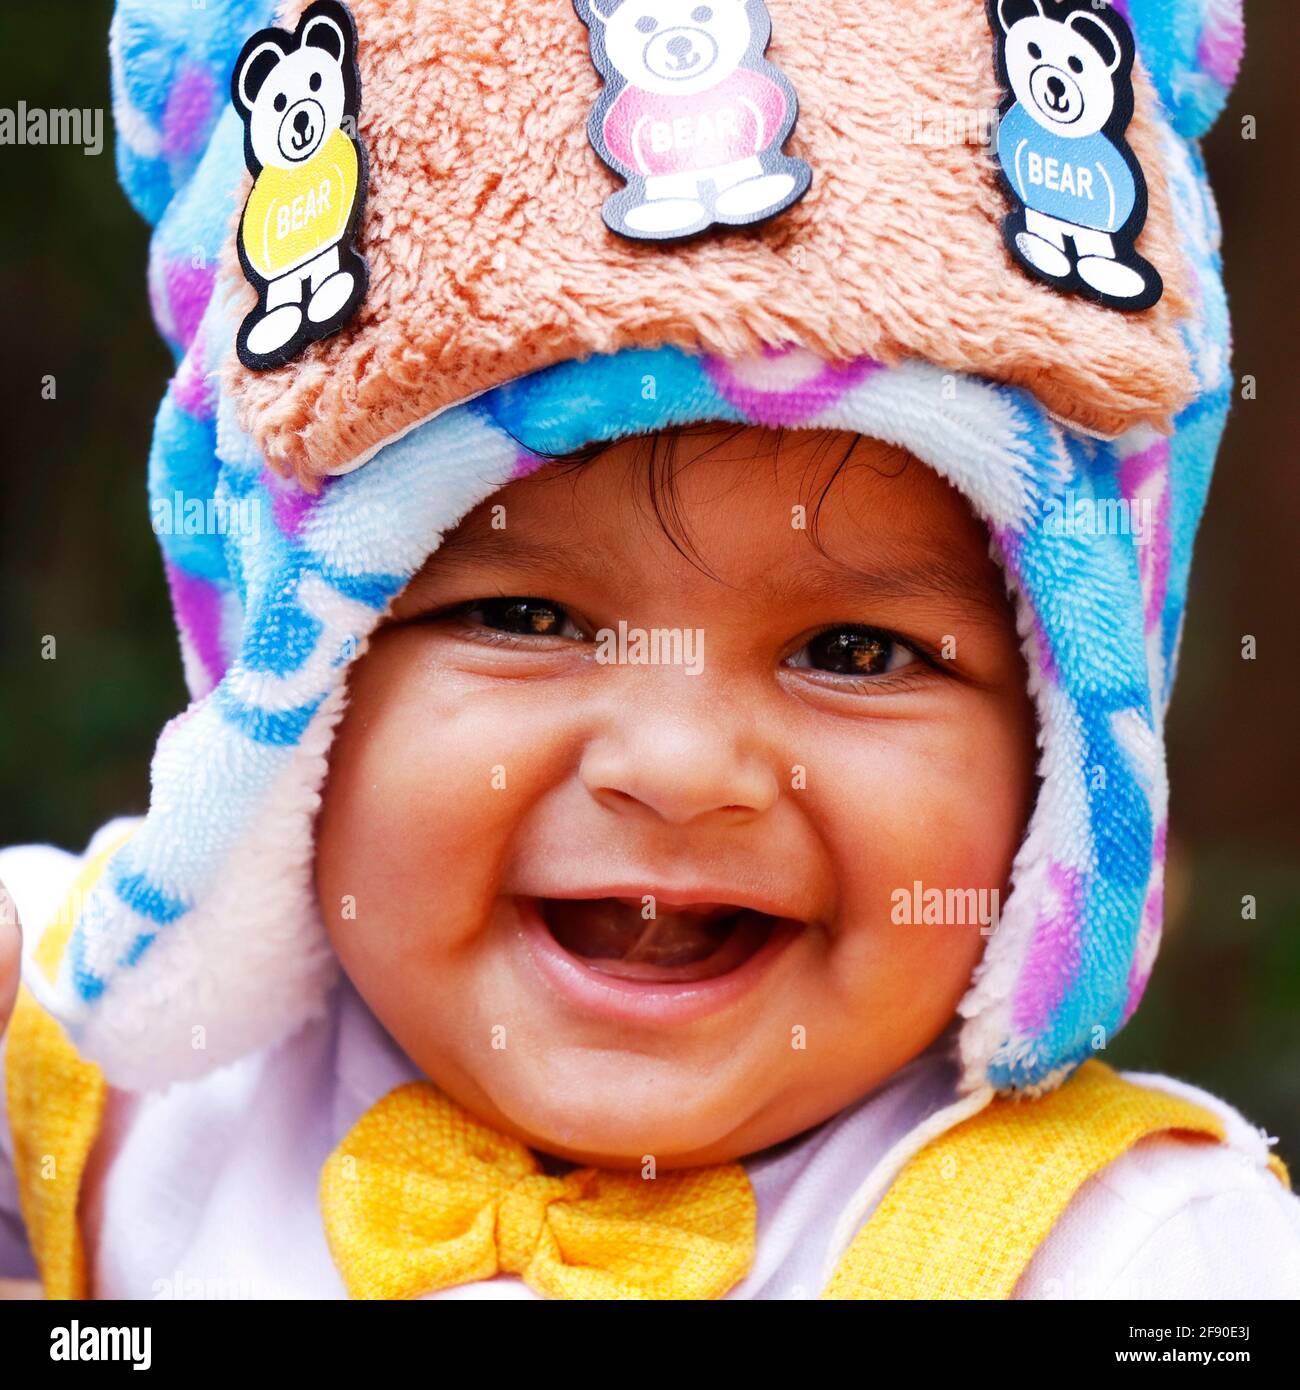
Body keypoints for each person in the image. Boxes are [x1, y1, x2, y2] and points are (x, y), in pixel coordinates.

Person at [2, 0, 1298, 1300]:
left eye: (854, 648)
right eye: (522, 618)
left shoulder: (1133, 1252)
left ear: (1063, 768)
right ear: (291, 712)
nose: (678, 768)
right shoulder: (96, 1073)